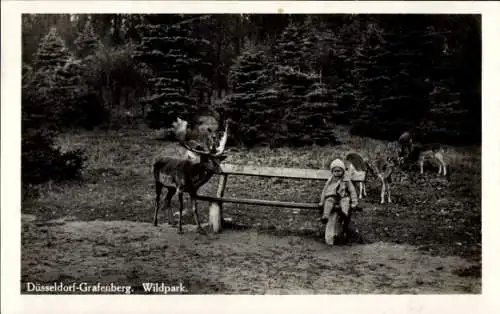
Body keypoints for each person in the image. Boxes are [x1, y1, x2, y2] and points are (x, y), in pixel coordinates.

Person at [319, 158, 359, 239]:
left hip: (342, 196)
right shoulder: (330, 180)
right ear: (332, 172)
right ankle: (325, 216)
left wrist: (354, 202)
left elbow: (352, 191)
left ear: (343, 171)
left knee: (345, 201)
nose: (337, 173)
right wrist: (321, 201)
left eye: (339, 171)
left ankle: (344, 213)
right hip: (332, 196)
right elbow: (325, 190)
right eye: (335, 171)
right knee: (328, 202)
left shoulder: (346, 180)